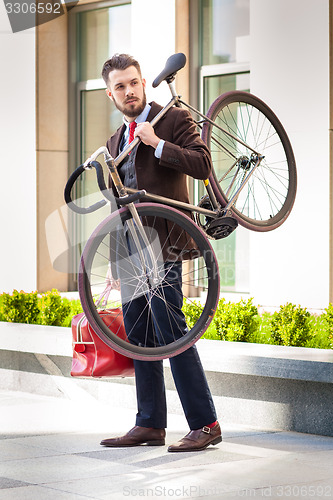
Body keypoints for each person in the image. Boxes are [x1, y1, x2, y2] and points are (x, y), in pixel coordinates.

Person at [99, 53, 221, 452]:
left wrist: (158, 144)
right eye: (120, 86)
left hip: (167, 241)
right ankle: (150, 423)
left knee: (172, 332)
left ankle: (206, 423)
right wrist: (117, 259)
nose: (129, 91)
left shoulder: (170, 118)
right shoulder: (114, 141)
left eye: (133, 82)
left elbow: (203, 164)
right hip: (133, 253)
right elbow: (119, 204)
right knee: (139, 336)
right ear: (110, 94)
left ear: (143, 83)